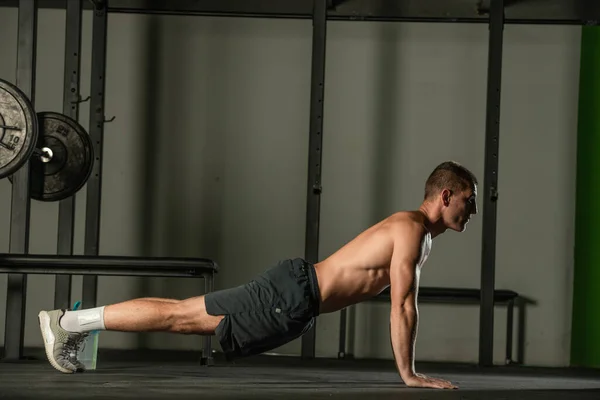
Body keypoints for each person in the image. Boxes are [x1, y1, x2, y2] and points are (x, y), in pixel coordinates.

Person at [38, 160, 477, 390]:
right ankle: (67, 323)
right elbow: (402, 305)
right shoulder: (412, 230)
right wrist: (410, 375)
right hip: (294, 295)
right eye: (468, 201)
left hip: (297, 300)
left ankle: (71, 323)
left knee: (184, 317)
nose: (472, 210)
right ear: (445, 195)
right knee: (180, 317)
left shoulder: (416, 232)